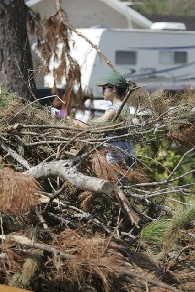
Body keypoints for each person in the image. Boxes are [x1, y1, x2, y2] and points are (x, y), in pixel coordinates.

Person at [67, 71, 135, 167]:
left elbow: (91, 128)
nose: (102, 91)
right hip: (125, 160)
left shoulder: (115, 110)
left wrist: (70, 120)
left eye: (104, 88)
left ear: (114, 89)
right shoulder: (124, 107)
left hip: (120, 163)